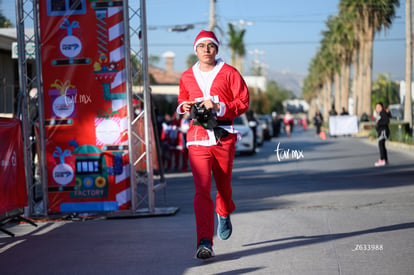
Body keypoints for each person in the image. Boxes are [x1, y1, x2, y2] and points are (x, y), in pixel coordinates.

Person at [177, 30, 249, 259]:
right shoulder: (187, 76)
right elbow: (181, 100)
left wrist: (219, 106)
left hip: (223, 135)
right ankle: (205, 241)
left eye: (210, 45)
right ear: (195, 50)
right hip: (197, 138)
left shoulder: (229, 72)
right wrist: (184, 107)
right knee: (201, 190)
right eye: (202, 46)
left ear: (216, 49)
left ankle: (224, 211)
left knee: (224, 186)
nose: (206, 49)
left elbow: (243, 101)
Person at [374, 102, 390, 167]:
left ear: (382, 107)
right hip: (381, 131)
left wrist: (379, 124)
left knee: (381, 144)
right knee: (382, 144)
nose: (377, 109)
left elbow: (386, 121)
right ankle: (385, 159)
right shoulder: (380, 113)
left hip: (383, 131)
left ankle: (382, 159)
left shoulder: (383, 113)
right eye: (376, 107)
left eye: (378, 107)